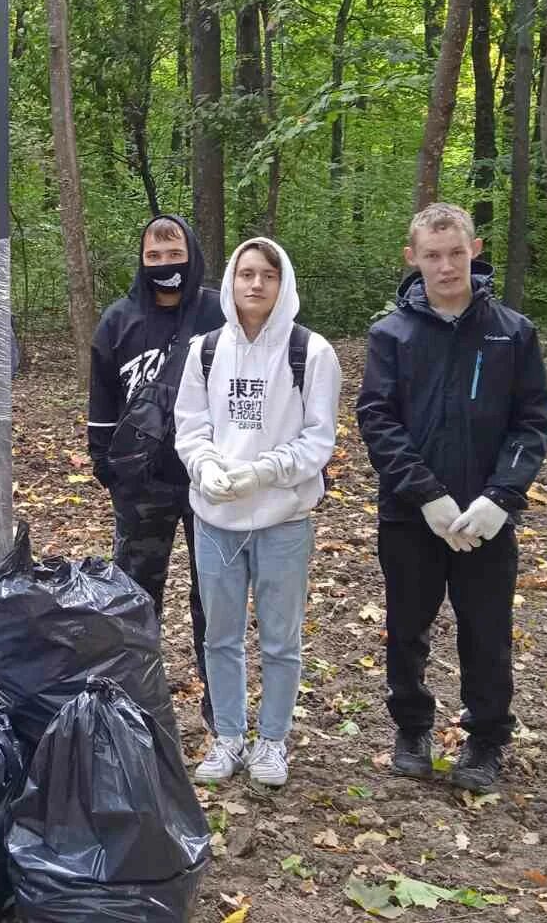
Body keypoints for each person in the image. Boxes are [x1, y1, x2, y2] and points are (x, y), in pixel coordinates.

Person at [357, 204, 547, 792]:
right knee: (407, 626)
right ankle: (412, 728)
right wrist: (425, 494)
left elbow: (532, 421)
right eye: (432, 255)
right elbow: (378, 418)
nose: (446, 266)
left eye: (456, 253)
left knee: (486, 628)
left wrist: (501, 497)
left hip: (484, 519)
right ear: (411, 257)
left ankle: (486, 739)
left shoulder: (512, 333)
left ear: (476, 249)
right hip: (410, 516)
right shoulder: (391, 334)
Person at [174, 238, 341, 787]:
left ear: (282, 282)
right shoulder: (205, 350)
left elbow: (319, 440)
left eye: (267, 274)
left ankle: (272, 741)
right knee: (219, 635)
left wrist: (264, 471)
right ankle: (227, 735)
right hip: (216, 520)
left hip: (283, 519)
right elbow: (191, 427)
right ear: (230, 280)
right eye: (246, 273)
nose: (255, 284)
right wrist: (206, 467)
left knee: (279, 638)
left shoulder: (310, 352)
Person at [87, 213, 225, 729]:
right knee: (137, 598)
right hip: (140, 483)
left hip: (210, 481)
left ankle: (221, 708)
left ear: (191, 254)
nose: (165, 265)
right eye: (154, 256)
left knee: (214, 596)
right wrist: (107, 466)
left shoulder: (220, 314)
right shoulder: (119, 320)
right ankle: (135, 706)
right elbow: (102, 397)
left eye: (174, 255)